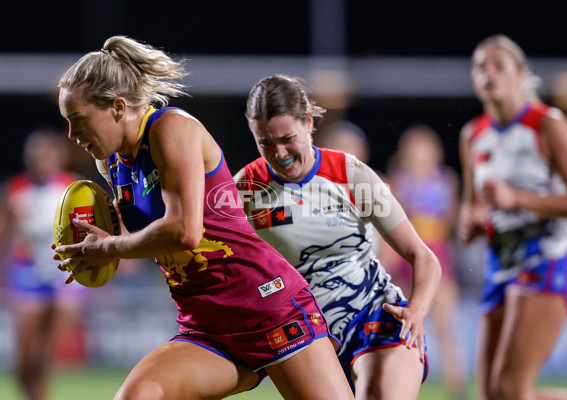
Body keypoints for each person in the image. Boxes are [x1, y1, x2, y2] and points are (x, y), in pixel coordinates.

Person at [54, 36, 354, 400]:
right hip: (206, 325)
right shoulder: (113, 162)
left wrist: (110, 247)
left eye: (78, 120)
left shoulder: (171, 129)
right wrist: (94, 245)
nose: (72, 134)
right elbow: (145, 234)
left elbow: (184, 232)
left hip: (266, 306)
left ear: (118, 107)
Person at [234, 74, 441, 400]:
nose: (280, 153)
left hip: (376, 317)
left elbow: (423, 256)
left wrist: (417, 308)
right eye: (266, 144)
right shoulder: (245, 189)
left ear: (309, 123)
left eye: (288, 138)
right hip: (306, 337)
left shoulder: (351, 174)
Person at [458, 34, 567, 400]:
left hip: (548, 259)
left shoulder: (546, 124)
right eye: (479, 66)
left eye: (497, 65)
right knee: (494, 394)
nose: (487, 73)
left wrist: (517, 198)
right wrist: (471, 223)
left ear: (520, 75)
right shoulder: (473, 135)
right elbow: (471, 209)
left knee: (510, 388)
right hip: (500, 266)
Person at [386, 123, 468, 400]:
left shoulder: (445, 180)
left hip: (437, 260)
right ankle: (395, 385)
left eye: (424, 147)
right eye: (414, 147)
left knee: (446, 330)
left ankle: (458, 390)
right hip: (405, 263)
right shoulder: (397, 181)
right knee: (397, 330)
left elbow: (451, 218)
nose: (418, 152)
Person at [0, 129, 84, 400]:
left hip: (64, 275)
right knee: (24, 358)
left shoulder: (74, 187)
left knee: (47, 356)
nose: (42, 159)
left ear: (59, 156)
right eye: (36, 153)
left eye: (48, 153)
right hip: (26, 272)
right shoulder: (15, 189)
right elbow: (5, 235)